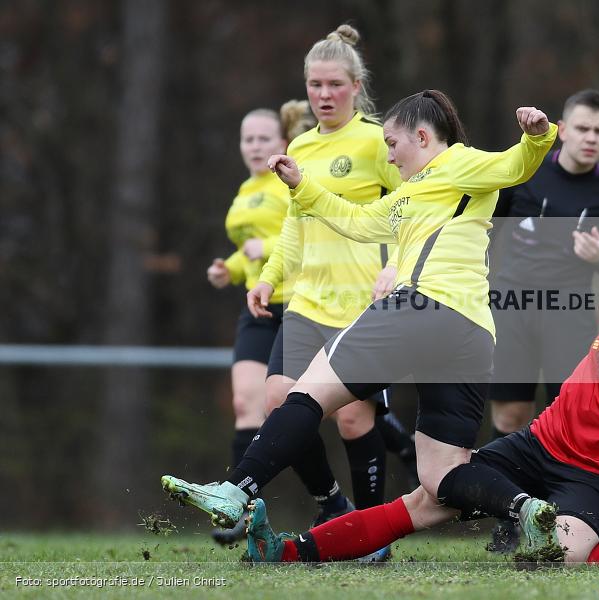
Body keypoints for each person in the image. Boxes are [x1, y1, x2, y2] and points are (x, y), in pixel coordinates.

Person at [161, 91, 560, 561]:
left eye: (393, 143)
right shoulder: (411, 191)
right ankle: (525, 507)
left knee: (308, 392)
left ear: (422, 135)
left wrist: (537, 136)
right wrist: (302, 186)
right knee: (441, 474)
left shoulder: (459, 162)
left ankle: (235, 489)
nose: (388, 154)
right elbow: (356, 220)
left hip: (420, 306)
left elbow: (514, 165)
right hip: (471, 333)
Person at [238, 259, 599, 574]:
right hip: (535, 445)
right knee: (424, 500)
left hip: (591, 477)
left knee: (554, 559)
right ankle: (287, 550)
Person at [212, 26, 416, 555]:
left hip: (361, 304)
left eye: (333, 84)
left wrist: (396, 267)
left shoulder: (377, 142)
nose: (323, 95)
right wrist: (267, 277)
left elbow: (413, 214)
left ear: (356, 85)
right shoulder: (299, 146)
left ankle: (375, 533)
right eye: (314, 85)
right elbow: (293, 226)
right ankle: (331, 502)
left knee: (352, 416)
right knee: (278, 401)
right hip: (305, 301)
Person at [486, 89, 599, 552]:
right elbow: (486, 231)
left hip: (569, 316)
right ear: (563, 131)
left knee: (566, 420)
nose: (590, 138)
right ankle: (510, 516)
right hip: (510, 310)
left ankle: (558, 519)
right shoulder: (525, 174)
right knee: (510, 415)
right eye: (582, 129)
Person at [203, 103, 315, 545]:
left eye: (263, 138)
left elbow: (306, 233)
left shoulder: (291, 180)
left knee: (291, 407)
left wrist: (263, 245)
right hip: (257, 306)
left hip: (297, 303)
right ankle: (238, 511)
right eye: (247, 139)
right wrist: (228, 269)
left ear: (282, 142)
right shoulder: (245, 189)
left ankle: (332, 501)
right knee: (245, 403)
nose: (254, 146)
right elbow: (246, 250)